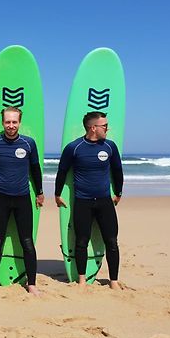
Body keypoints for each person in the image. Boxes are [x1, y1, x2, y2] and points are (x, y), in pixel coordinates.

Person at [54, 111, 124, 290]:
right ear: (93, 128)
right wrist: (57, 194)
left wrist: (119, 192)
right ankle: (82, 279)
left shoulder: (110, 146)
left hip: (104, 202)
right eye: (104, 126)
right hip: (83, 202)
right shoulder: (74, 147)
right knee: (81, 241)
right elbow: (62, 171)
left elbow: (117, 171)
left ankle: (113, 281)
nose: (107, 129)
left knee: (112, 242)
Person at [0, 106, 44, 296]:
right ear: (2, 122)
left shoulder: (28, 144)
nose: (11, 126)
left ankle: (31, 283)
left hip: (23, 199)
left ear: (19, 122)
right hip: (0, 198)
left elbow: (35, 169)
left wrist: (40, 192)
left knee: (27, 242)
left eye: (14, 122)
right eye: (7, 122)